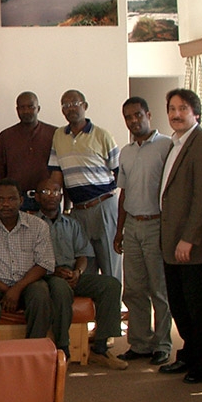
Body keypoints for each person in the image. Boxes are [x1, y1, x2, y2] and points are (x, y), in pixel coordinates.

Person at [157, 89, 202, 383]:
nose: (176, 114)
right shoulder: (176, 143)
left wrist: (189, 238)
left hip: (191, 244)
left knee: (200, 308)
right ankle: (190, 355)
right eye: (172, 108)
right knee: (181, 306)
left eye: (183, 108)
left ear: (196, 112)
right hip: (171, 242)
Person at [35, 178, 127, 369]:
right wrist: (52, 271)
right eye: (45, 192)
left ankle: (100, 349)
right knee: (60, 288)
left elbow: (84, 253)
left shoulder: (72, 223)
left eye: (56, 192)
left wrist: (78, 272)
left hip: (73, 274)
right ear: (36, 197)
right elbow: (28, 260)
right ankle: (63, 349)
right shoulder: (31, 224)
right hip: (47, 276)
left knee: (111, 284)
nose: (51, 196)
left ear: (62, 196)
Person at [113, 97, 172, 365]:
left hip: (157, 224)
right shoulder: (125, 151)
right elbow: (123, 193)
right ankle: (139, 343)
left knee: (158, 289)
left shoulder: (166, 146)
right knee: (134, 289)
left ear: (148, 114)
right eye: (128, 117)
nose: (133, 121)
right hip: (132, 226)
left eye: (138, 115)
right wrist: (119, 230)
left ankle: (161, 344)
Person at [0, 179, 57, 340]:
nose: (6, 204)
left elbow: (44, 263)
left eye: (12, 199)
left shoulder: (38, 225)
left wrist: (17, 289)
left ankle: (33, 352)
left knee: (41, 293)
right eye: (1, 199)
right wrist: (6, 290)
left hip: (28, 282)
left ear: (21, 200)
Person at [49, 89, 121, 280]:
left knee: (110, 266)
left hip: (103, 206)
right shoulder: (58, 136)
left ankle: (113, 310)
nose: (70, 108)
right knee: (83, 266)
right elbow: (57, 176)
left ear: (85, 106)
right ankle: (92, 310)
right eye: (65, 105)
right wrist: (61, 210)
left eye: (75, 103)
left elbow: (120, 173)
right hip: (78, 212)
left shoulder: (102, 135)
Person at [0, 91, 57, 212]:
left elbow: (62, 171)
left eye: (30, 107)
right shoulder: (6, 136)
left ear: (38, 108)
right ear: (17, 110)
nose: (26, 111)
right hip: (15, 201)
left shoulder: (54, 134)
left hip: (47, 200)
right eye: (22, 107)